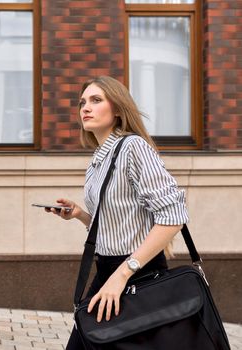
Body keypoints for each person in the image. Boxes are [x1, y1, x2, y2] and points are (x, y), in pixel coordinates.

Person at [45, 76, 189, 349]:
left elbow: (173, 217)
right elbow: (115, 227)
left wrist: (122, 275)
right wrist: (80, 214)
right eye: (82, 102)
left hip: (138, 275)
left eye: (96, 100)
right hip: (107, 272)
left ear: (119, 110)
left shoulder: (132, 147)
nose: (85, 108)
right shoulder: (98, 159)